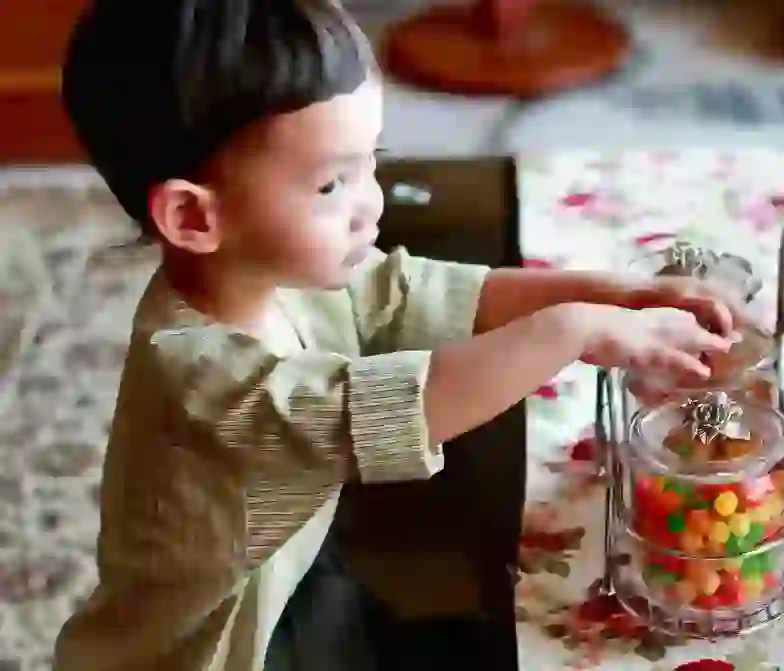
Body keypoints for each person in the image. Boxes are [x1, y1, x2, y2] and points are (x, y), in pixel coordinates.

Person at [53, 1, 748, 669]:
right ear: (193, 217)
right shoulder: (205, 383)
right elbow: (392, 409)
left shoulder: (273, 271)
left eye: (370, 164)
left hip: (298, 575)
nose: (370, 204)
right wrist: (568, 329)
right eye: (331, 186)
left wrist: (612, 293)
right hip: (227, 648)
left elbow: (419, 295)